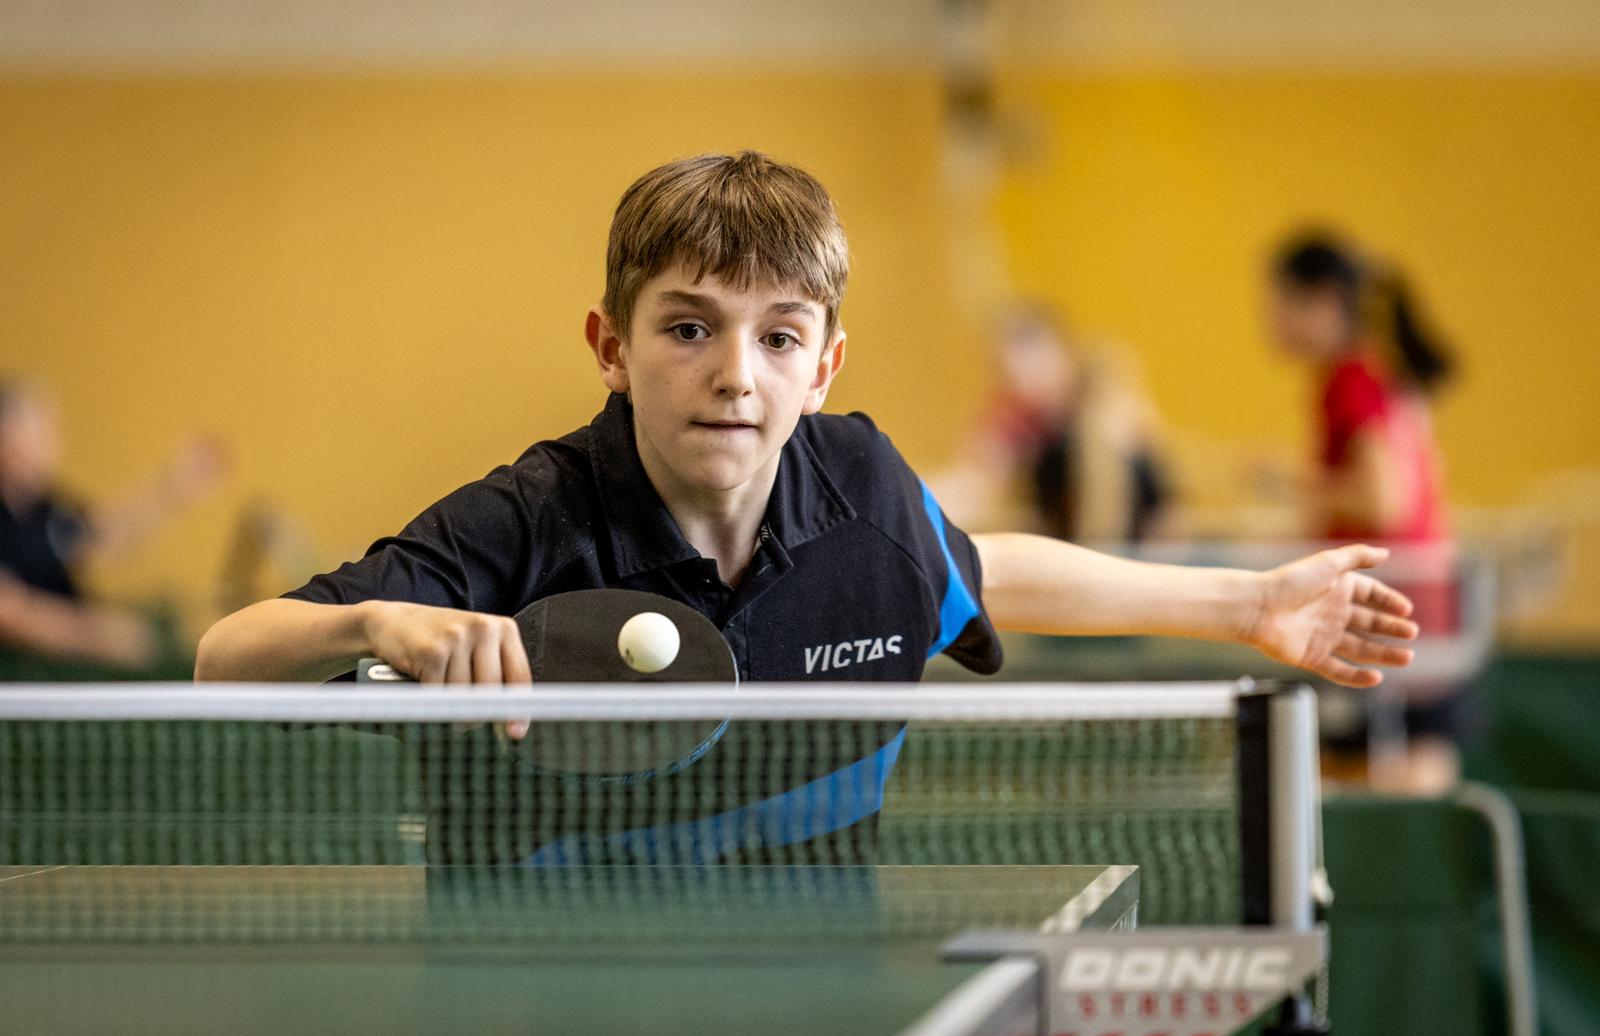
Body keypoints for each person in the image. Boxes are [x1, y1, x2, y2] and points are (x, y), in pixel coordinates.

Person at [197, 153, 1417, 862]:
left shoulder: (864, 490)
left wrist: (1247, 604)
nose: (736, 375)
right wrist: (372, 623)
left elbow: (972, 571)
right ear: (610, 347)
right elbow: (224, 660)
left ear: (824, 365)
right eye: (688, 329)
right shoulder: (524, 520)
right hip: (544, 1007)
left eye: (778, 337)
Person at [1267, 230, 1461, 791]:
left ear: (1323, 300)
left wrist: (1289, 481)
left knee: (1387, 771)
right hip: (1417, 603)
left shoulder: (1350, 378)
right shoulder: (1377, 371)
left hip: (1396, 604)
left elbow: (1385, 500)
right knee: (1416, 759)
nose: (1271, 320)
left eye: (1279, 303)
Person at [0, 379, 227, 674]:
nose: (50, 443)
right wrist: (97, 636)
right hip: (22, 673)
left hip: (66, 668)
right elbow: (9, 612)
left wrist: (172, 488)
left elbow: (100, 539)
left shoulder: (45, 508)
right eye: (38, 430)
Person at [933, 303, 1172, 544]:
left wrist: (1095, 549)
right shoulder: (1017, 414)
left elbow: (1113, 488)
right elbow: (976, 480)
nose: (1020, 380)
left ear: (1062, 351)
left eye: (1029, 362)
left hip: (1137, 533)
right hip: (1068, 531)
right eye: (1006, 369)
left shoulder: (1101, 395)